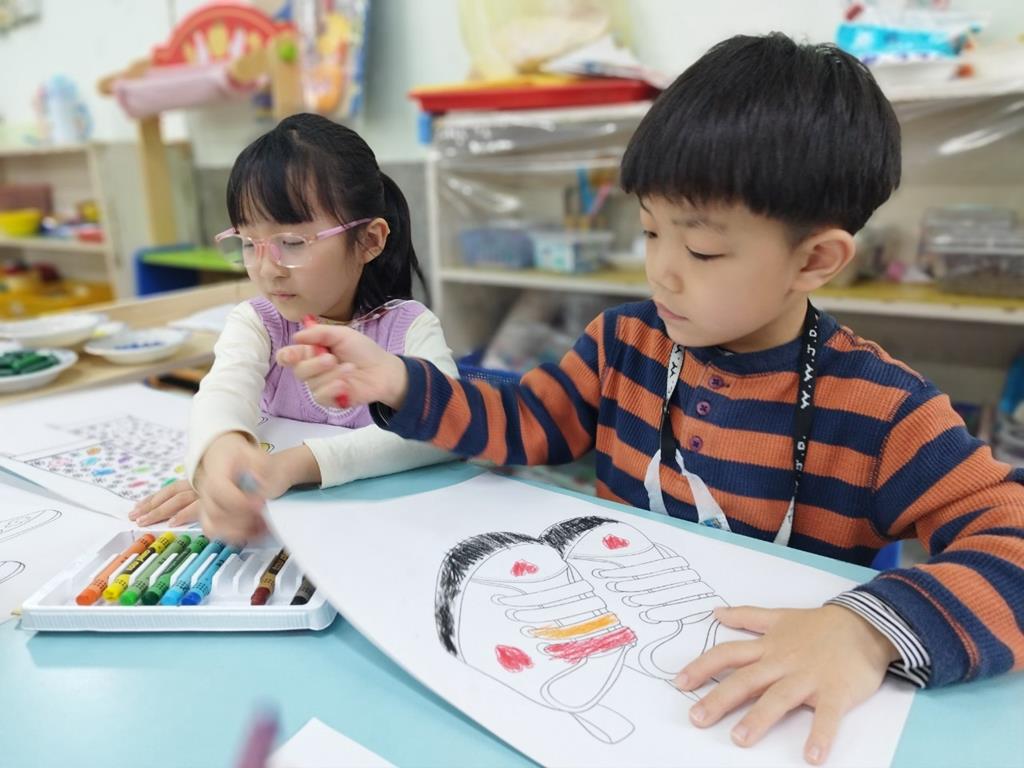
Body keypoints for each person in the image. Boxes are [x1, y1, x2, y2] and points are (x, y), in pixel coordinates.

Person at [279, 35, 1024, 765]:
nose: (662, 271)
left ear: (814, 259)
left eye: (701, 250)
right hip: (629, 688)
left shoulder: (882, 410)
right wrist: (400, 381)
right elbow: (528, 420)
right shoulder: (625, 344)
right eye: (649, 231)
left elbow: (1012, 541)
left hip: (768, 724)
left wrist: (866, 631)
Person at [129, 113, 455, 542]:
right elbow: (222, 395)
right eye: (249, 243)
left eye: (292, 243)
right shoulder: (257, 323)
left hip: (387, 533)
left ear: (370, 240)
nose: (267, 269)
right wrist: (220, 455)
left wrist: (289, 466)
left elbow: (446, 428)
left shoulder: (410, 328)